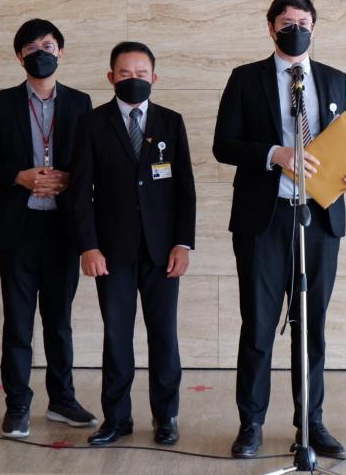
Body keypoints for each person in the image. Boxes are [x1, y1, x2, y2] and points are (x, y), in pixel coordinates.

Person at [213, 0, 346, 459]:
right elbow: (223, 144)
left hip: (320, 217)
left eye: (303, 22)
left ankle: (311, 422)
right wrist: (273, 154)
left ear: (314, 28)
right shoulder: (245, 79)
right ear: (271, 28)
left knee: (311, 326)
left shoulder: (335, 79)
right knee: (259, 324)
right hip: (264, 218)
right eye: (286, 22)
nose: (295, 29)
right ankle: (251, 423)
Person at [69, 41, 196, 447]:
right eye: (125, 74)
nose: (134, 79)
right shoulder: (92, 123)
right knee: (116, 336)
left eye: (141, 74)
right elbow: (79, 192)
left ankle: (166, 416)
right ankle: (116, 417)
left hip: (163, 252)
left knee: (164, 336)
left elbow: (185, 189)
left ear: (154, 77)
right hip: (112, 252)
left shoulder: (171, 122)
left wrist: (183, 243)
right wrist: (88, 246)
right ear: (111, 78)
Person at [0, 18, 95, 438]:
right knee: (18, 322)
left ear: (61, 51)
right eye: (30, 48)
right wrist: (19, 176)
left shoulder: (80, 102)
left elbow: (89, 159)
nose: (40, 53)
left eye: (47, 45)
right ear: (18, 56)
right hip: (18, 227)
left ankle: (62, 400)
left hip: (63, 227)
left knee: (59, 321)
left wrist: (69, 178)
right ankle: (17, 404)